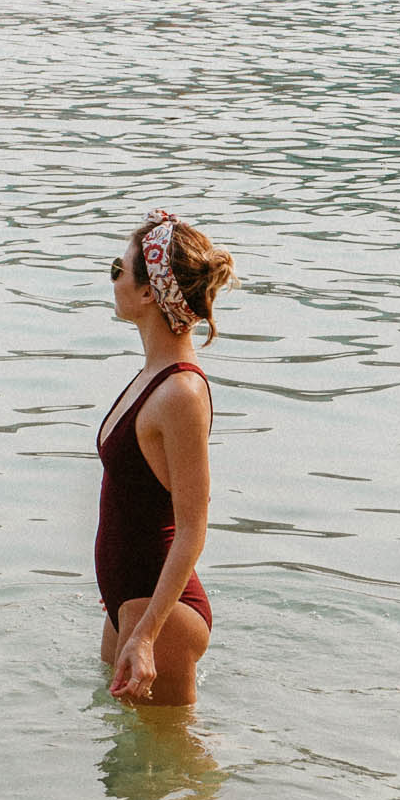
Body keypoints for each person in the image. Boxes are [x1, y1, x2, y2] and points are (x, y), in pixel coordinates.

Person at [95, 211, 235, 707]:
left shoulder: (181, 392)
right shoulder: (151, 376)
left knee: (174, 752)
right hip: (131, 606)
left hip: (160, 617)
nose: (113, 280)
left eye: (118, 268)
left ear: (148, 293)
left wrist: (148, 634)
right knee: (125, 749)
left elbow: (193, 528)